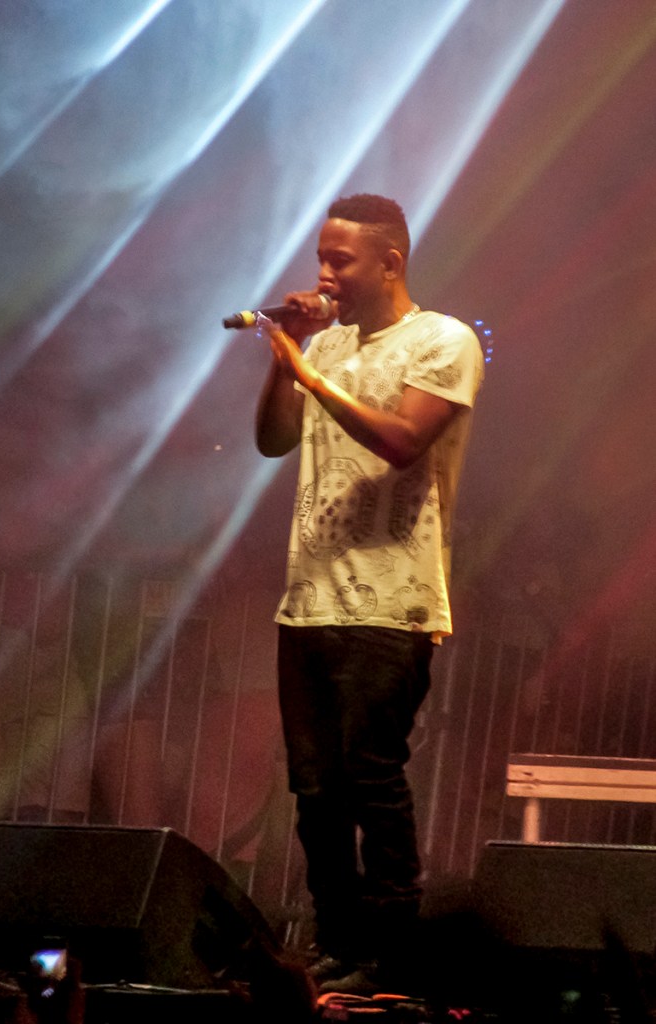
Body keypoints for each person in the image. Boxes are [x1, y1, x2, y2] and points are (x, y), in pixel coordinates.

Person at [255, 193, 483, 993]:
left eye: (339, 260)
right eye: (321, 257)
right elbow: (272, 440)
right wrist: (288, 356)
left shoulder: (442, 341)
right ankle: (338, 942)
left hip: (391, 605)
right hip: (308, 599)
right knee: (314, 790)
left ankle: (390, 954)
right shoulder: (327, 347)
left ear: (389, 261)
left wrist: (309, 377)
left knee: (370, 779)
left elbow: (402, 440)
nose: (324, 273)